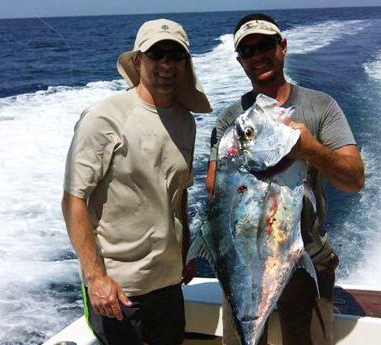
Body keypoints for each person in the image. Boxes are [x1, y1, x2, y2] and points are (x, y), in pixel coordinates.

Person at [206, 14, 365, 345]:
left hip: (307, 262)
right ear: (240, 61)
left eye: (265, 45)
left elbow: (354, 179)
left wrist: (311, 151)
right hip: (245, 266)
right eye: (247, 51)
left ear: (283, 47)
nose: (257, 55)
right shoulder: (229, 121)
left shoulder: (321, 107)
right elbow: (214, 191)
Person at [62, 18, 211, 345]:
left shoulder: (186, 122)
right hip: (119, 290)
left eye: (176, 55)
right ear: (138, 60)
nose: (167, 64)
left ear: (186, 65)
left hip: (169, 284)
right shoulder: (104, 117)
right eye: (157, 54)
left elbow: (178, 191)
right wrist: (96, 277)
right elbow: (74, 199)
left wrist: (184, 248)